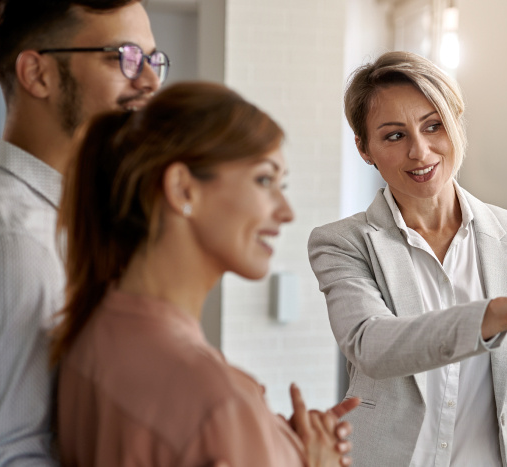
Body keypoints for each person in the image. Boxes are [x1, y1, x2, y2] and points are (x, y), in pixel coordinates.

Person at [307, 50, 507, 466]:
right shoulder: (343, 243)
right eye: (394, 135)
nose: (420, 152)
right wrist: (501, 314)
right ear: (364, 148)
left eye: (434, 126)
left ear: (456, 125)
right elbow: (374, 347)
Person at [52, 81, 359, 466]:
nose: (287, 212)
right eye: (264, 180)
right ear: (183, 189)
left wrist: (273, 438)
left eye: (282, 185)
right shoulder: (218, 403)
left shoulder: (89, 335)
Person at [0, 0, 165, 465]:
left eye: (153, 60)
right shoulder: (12, 240)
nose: (150, 81)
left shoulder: (58, 222)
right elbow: (11, 456)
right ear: (38, 74)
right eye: (126, 57)